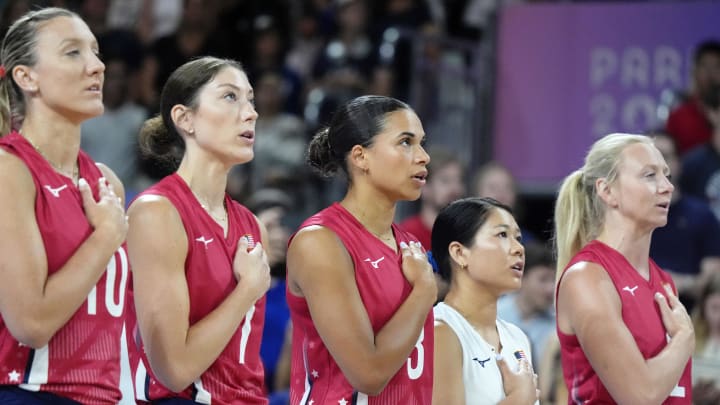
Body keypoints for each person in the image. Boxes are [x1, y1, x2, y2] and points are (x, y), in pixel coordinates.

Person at [0, 7, 130, 404]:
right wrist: (106, 235)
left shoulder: (108, 183)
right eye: (73, 53)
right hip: (29, 392)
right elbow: (32, 322)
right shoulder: (10, 171)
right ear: (27, 77)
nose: (96, 66)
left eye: (95, 51)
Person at [126, 56, 271, 404]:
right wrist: (248, 289)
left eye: (250, 99)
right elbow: (173, 370)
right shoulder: (157, 212)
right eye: (230, 97)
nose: (250, 112)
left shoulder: (251, 226)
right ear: (185, 118)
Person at [286, 95, 437, 404]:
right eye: (406, 142)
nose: (423, 157)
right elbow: (368, 374)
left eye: (422, 143)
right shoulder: (320, 241)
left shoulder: (411, 245)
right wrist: (423, 290)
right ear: (361, 157)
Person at [554, 133, 694, 404]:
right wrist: (684, 339)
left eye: (666, 175)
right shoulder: (587, 276)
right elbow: (640, 396)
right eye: (649, 175)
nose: (667, 186)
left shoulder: (663, 280)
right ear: (607, 191)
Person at [432, 197, 539, 405]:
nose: (519, 248)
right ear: (459, 253)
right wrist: (518, 399)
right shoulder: (440, 332)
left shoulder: (517, 337)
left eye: (518, 237)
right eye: (502, 235)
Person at [649, 132, 720, 309]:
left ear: (679, 163)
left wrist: (676, 282)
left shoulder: (702, 215)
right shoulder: (630, 217)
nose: (658, 165)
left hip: (692, 315)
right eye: (650, 158)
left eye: (664, 156)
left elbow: (711, 282)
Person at [497, 241, 556, 367]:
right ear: (522, 278)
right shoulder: (495, 314)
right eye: (543, 279)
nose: (550, 288)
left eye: (553, 280)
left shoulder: (556, 325)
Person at [666, 40, 720, 155]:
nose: (711, 74)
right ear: (694, 72)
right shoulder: (679, 116)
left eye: (717, 66)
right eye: (705, 66)